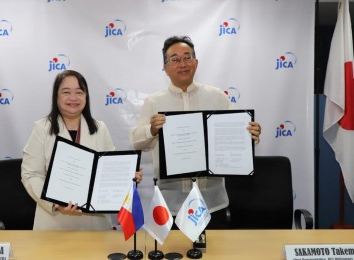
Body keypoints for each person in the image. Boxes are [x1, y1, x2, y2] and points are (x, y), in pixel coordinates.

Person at [130, 36, 261, 228]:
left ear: (196, 63)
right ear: (165, 68)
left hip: (213, 203)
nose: (182, 63)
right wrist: (151, 130)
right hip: (171, 204)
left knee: (214, 257)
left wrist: (250, 135)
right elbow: (136, 142)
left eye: (187, 57)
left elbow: (234, 137)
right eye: (174, 59)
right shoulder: (154, 102)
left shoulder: (218, 97)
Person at [21, 70, 142, 230]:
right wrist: (55, 204)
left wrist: (128, 178)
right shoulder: (42, 128)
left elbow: (110, 172)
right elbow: (31, 175)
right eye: (66, 92)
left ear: (86, 97)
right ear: (56, 96)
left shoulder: (100, 128)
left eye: (79, 92)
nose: (73, 98)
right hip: (54, 224)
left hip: (95, 224)